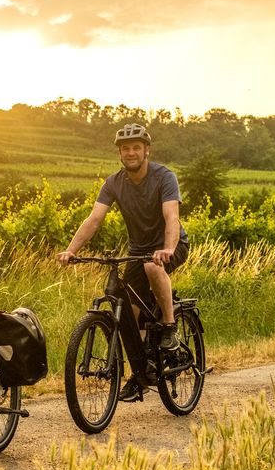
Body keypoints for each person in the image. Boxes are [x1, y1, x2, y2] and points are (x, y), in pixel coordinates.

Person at [56, 122, 189, 402]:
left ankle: (169, 327)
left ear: (146, 150)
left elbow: (171, 218)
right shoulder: (114, 183)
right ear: (120, 153)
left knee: (154, 266)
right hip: (138, 249)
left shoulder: (164, 177)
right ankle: (141, 372)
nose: (130, 153)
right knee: (129, 311)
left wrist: (167, 248)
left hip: (170, 245)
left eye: (136, 148)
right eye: (125, 149)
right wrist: (70, 250)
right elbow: (94, 220)